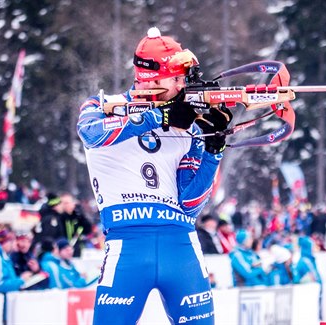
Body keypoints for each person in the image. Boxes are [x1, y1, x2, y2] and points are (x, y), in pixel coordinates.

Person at [77, 27, 232, 325]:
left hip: (182, 246)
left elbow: (189, 204)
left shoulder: (188, 125)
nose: (182, 85)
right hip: (126, 247)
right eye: (176, 78)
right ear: (153, 78)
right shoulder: (100, 105)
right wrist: (157, 117)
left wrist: (213, 149)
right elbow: (91, 134)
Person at [0, 227, 30, 293]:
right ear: (5, 242)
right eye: (11, 242)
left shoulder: (1, 257)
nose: (13, 245)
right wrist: (21, 280)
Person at [293, 235, 323, 320]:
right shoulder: (305, 261)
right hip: (310, 296)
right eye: (312, 246)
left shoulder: (309, 260)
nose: (314, 248)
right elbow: (314, 278)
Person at [60, 193, 92, 257]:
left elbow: (88, 229)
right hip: (63, 251)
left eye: (67, 203)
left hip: (77, 249)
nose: (65, 205)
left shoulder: (77, 216)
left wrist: (81, 215)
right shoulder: (59, 217)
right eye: (63, 203)